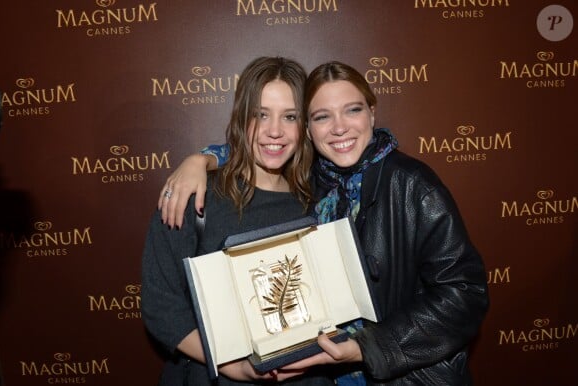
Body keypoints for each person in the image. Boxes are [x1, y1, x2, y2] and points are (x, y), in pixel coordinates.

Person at [157, 61, 490, 385]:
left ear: (372, 112)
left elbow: (465, 293)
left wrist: (368, 347)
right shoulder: (312, 183)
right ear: (309, 129)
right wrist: (200, 159)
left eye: (353, 110)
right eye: (321, 116)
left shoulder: (412, 185)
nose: (339, 127)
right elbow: (264, 145)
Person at [141, 56, 334, 386]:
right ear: (242, 117)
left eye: (289, 116)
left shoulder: (320, 200)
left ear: (303, 125)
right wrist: (230, 362)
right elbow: (162, 307)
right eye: (261, 115)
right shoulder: (196, 197)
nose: (275, 131)